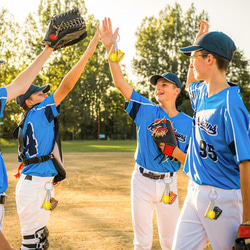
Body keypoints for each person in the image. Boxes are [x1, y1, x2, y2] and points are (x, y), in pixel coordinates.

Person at [97, 17, 192, 250]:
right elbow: (120, 83)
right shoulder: (146, 109)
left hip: (169, 184)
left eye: (165, 85)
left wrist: (174, 151)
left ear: (177, 91)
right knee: (142, 242)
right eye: (157, 84)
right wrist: (111, 49)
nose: (159, 87)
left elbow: (191, 162)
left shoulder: (189, 124)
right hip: (141, 180)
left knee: (171, 242)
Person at [15, 32, 99, 250]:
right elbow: (66, 86)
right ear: (28, 100)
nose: (45, 96)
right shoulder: (39, 111)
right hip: (34, 187)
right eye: (40, 93)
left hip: (38, 184)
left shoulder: (30, 117)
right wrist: (88, 52)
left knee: (39, 242)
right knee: (33, 245)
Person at [172, 21, 250, 249]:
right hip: (194, 192)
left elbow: (245, 161)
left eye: (194, 56)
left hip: (223, 199)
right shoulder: (201, 92)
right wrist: (199, 40)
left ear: (210, 59)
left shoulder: (231, 104)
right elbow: (189, 85)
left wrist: (247, 219)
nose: (190, 61)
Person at [0, 47, 54, 250]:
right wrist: (50, 47)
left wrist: (50, 47)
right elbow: (21, 86)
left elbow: (21, 86)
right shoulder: (37, 114)